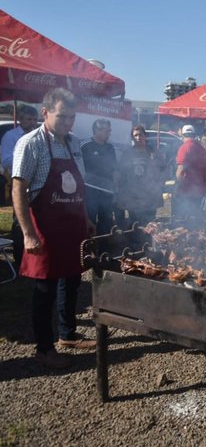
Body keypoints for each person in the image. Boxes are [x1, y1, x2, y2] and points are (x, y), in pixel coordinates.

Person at [12, 88, 96, 368]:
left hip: (72, 225)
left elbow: (79, 186)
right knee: (45, 289)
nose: (68, 123)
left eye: (72, 117)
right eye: (62, 116)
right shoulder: (30, 143)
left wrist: (85, 219)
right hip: (44, 227)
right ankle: (44, 348)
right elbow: (19, 189)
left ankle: (68, 333)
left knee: (72, 280)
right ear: (45, 113)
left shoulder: (73, 144)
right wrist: (27, 233)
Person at [0, 104, 38, 268]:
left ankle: (32, 257)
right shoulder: (11, 136)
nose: (32, 123)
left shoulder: (40, 135)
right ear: (20, 119)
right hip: (16, 185)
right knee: (14, 222)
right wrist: (26, 154)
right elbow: (6, 160)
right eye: (29, 119)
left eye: (35, 119)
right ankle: (17, 259)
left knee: (34, 220)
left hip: (36, 185)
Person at [117, 125, 165, 227]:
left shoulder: (153, 152)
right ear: (132, 137)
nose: (138, 138)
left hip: (150, 197)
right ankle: (134, 242)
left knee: (150, 225)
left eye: (140, 135)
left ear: (145, 136)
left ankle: (150, 242)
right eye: (135, 135)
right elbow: (121, 174)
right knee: (134, 225)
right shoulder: (127, 154)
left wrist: (159, 185)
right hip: (133, 198)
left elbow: (163, 170)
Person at [81, 119, 118, 235]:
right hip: (90, 192)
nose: (109, 133)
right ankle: (90, 249)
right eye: (107, 131)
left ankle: (104, 247)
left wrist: (116, 179)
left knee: (106, 222)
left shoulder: (110, 147)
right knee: (90, 221)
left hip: (107, 192)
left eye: (109, 131)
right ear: (97, 130)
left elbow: (114, 168)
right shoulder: (85, 146)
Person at [172, 125, 206, 221]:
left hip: (186, 191)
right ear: (194, 134)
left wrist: (177, 185)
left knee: (182, 219)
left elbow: (181, 170)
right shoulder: (202, 149)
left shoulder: (184, 148)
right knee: (194, 218)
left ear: (183, 135)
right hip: (199, 190)